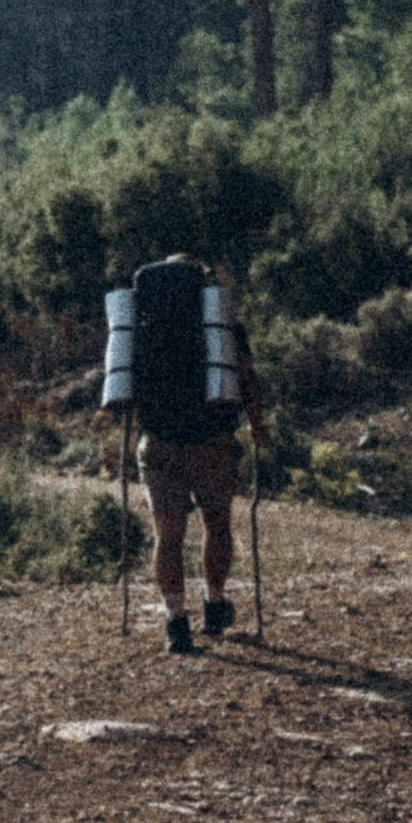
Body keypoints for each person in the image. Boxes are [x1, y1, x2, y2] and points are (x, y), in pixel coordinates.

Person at [118, 253, 265, 654]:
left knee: (167, 536)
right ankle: (215, 604)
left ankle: (175, 622)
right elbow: (246, 376)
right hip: (211, 440)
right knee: (216, 525)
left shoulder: (144, 322)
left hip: (159, 440)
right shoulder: (218, 322)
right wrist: (257, 424)